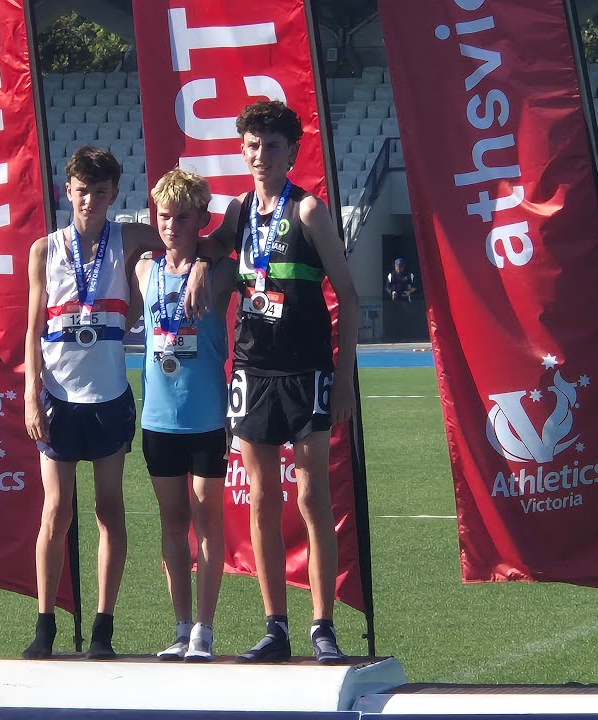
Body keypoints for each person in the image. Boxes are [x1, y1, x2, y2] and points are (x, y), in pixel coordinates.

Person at [22, 146, 216, 661]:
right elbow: (32, 327)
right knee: (56, 511)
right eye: (82, 191)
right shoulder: (44, 250)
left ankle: (104, 627)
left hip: (109, 398)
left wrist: (199, 265)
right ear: (68, 191)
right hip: (58, 398)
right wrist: (29, 394)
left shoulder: (129, 237)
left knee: (110, 510)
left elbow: (197, 240)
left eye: (100, 193)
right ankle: (45, 625)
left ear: (113, 196)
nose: (90, 201)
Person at [193, 99, 359, 665]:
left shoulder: (309, 212)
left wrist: (342, 382)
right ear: (242, 150)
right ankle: (275, 626)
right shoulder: (239, 209)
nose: (260, 155)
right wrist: (198, 264)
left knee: (312, 498)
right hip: (252, 371)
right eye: (252, 145)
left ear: (292, 153)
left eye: (272, 146)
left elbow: (352, 299)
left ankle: (322, 626)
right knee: (262, 499)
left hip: (307, 370)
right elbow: (210, 245)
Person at [134, 168, 237, 662]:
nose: (170, 226)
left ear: (200, 219)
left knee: (206, 519)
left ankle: (205, 629)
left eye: (182, 217)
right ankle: (179, 627)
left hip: (205, 417)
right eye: (164, 216)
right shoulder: (143, 270)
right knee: (172, 522)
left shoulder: (219, 274)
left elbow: (232, 246)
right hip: (158, 417)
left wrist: (203, 261)